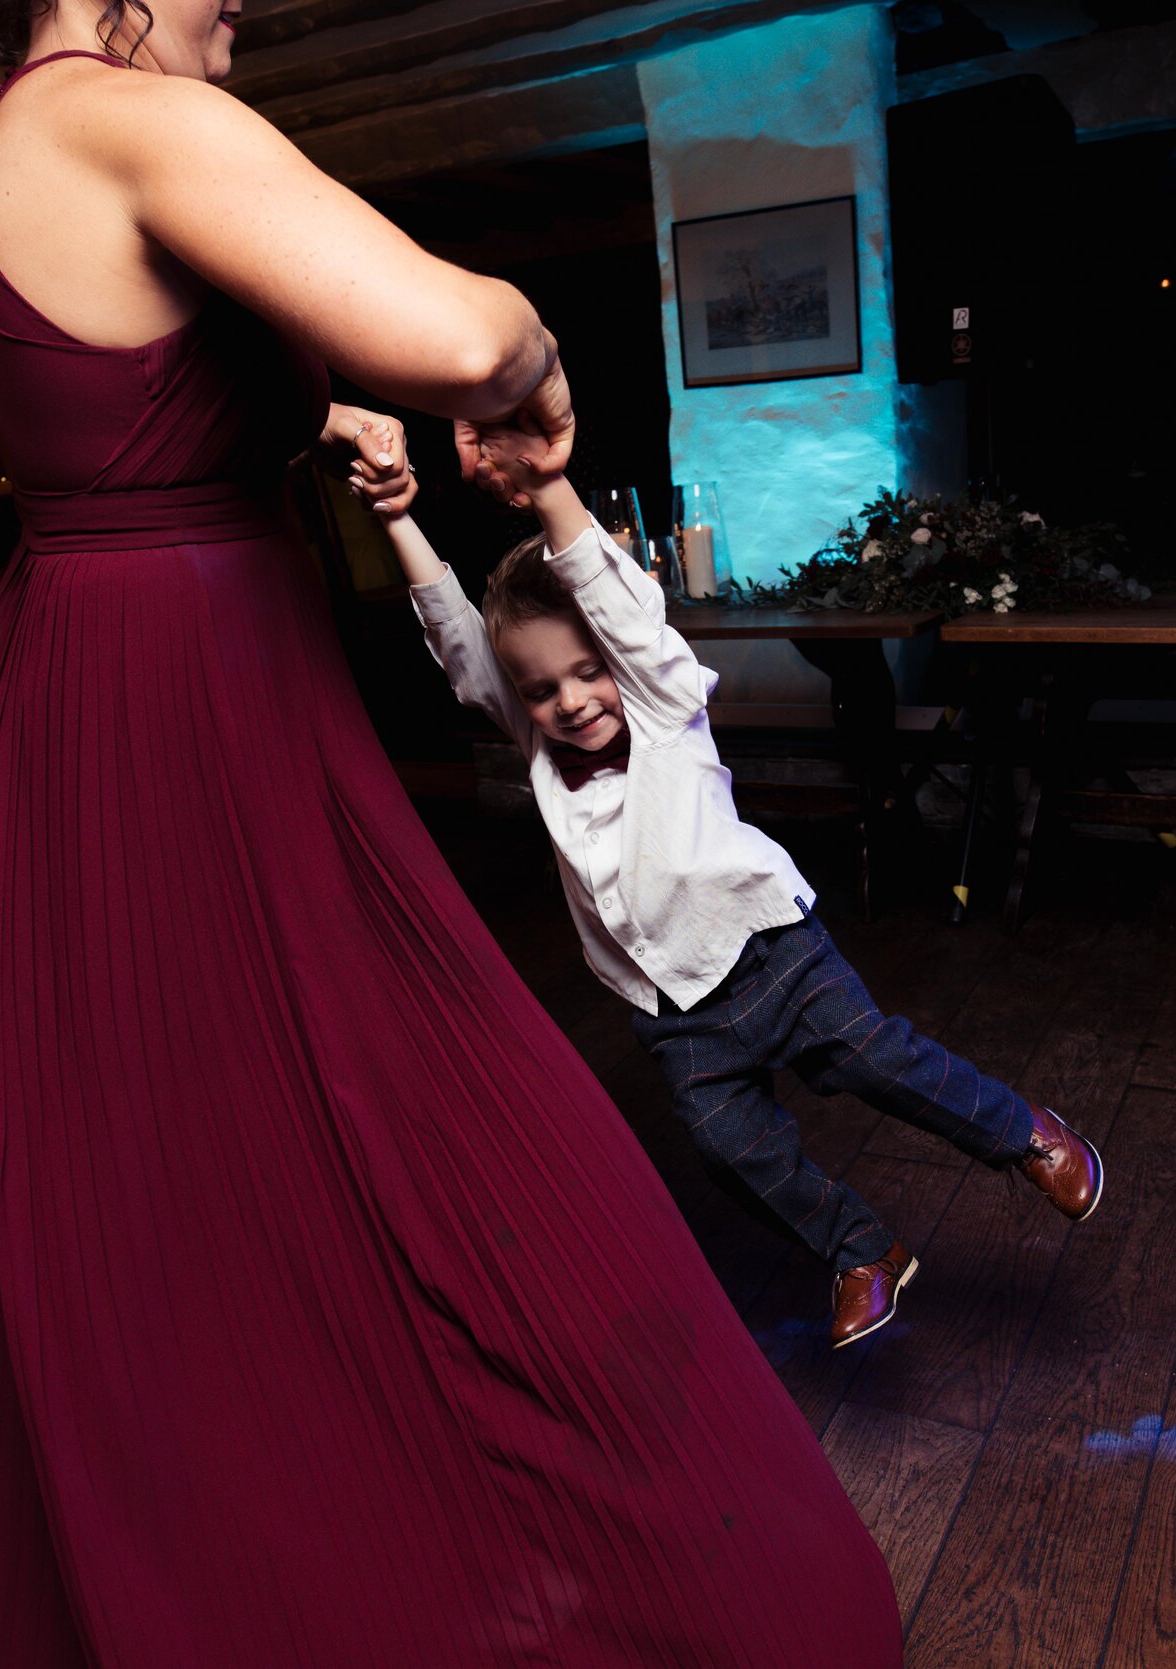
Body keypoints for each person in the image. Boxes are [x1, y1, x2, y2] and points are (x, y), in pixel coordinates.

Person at [0, 2, 904, 1664]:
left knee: (198, 1158)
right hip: (172, 704)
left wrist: (298, 418)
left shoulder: (14, 142)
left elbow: (115, 401)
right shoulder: (114, 114)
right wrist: (535, 358)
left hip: (104, 681)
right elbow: (465, 338)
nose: (239, 6)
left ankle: (290, 1521)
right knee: (384, 1106)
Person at [381, 429, 1107, 1346]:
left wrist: (552, 487)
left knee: (880, 1061)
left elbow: (622, 610)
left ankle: (1027, 1133)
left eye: (587, 669)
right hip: (672, 1008)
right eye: (541, 687)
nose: (569, 700)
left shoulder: (659, 702)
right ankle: (861, 1250)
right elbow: (458, 642)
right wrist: (398, 516)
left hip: (771, 954)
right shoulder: (538, 746)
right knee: (731, 1146)